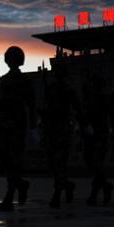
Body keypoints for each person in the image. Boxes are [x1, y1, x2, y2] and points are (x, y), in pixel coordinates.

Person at [0, 46, 35, 211]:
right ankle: (21, 184)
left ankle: (9, 196)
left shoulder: (24, 80)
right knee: (4, 159)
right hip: (4, 123)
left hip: (17, 123)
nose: (10, 60)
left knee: (14, 159)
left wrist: (33, 127)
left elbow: (31, 103)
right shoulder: (2, 80)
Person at [42, 64, 81, 208]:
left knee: (59, 162)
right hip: (52, 129)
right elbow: (47, 106)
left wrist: (83, 125)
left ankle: (57, 194)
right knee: (54, 163)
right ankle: (67, 185)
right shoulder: (51, 88)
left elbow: (77, 108)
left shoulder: (68, 89)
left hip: (63, 129)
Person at [81, 74, 113, 205]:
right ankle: (105, 186)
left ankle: (95, 193)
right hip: (91, 135)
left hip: (100, 134)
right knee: (90, 161)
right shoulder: (90, 99)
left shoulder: (104, 99)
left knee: (96, 161)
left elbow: (109, 116)